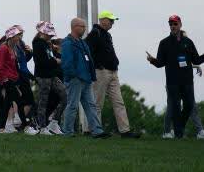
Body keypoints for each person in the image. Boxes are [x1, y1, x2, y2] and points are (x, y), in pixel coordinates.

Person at [147, 14, 202, 139]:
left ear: (180, 25)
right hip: (172, 82)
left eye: (175, 24)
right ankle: (176, 134)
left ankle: (180, 129)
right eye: (171, 24)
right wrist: (152, 60)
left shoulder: (188, 42)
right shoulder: (164, 43)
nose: (173, 26)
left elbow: (196, 60)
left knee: (189, 105)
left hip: (187, 81)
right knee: (175, 107)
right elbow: (160, 63)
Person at [86, 10, 138, 138]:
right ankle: (94, 130)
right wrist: (98, 65)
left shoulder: (107, 35)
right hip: (101, 72)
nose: (112, 23)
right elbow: (88, 52)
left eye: (113, 21)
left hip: (113, 72)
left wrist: (115, 62)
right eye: (110, 20)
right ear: (102, 20)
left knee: (119, 102)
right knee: (97, 103)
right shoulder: (95, 33)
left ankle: (125, 131)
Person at [61, 17, 108, 138]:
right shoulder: (67, 43)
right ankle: (68, 131)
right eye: (82, 26)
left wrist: (91, 76)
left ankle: (97, 131)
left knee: (91, 106)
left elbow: (89, 60)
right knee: (72, 105)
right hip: (75, 79)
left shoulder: (83, 43)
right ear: (74, 27)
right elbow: (67, 63)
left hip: (86, 79)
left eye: (84, 26)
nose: (84, 29)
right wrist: (73, 75)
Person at [0, 26, 31, 133]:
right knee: (19, 101)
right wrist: (3, 80)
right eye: (17, 36)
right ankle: (26, 126)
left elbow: (14, 66)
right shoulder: (3, 48)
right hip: (6, 79)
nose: (19, 38)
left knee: (7, 104)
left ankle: (2, 128)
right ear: (11, 37)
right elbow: (0, 66)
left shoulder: (13, 48)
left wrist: (16, 79)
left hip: (12, 79)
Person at [31, 21, 65, 135]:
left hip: (52, 75)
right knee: (43, 102)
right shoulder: (38, 44)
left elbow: (50, 57)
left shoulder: (47, 44)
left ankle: (54, 123)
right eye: (49, 34)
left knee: (65, 96)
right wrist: (56, 61)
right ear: (42, 33)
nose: (50, 36)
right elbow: (42, 62)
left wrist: (54, 56)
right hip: (43, 76)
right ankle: (42, 127)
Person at [11, 26, 37, 134]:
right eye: (19, 33)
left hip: (24, 73)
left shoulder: (21, 43)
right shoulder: (13, 45)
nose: (21, 35)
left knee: (29, 101)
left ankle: (20, 122)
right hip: (19, 74)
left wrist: (29, 53)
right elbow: (16, 62)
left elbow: (24, 60)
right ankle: (18, 121)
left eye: (22, 33)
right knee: (21, 99)